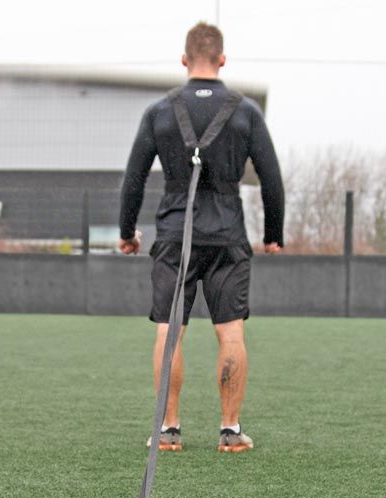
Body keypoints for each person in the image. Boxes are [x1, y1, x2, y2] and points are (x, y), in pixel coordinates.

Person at [118, 21, 284, 453]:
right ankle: (230, 431)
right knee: (231, 333)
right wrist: (273, 234)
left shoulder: (159, 112)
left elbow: (133, 178)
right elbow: (271, 178)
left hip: (176, 234)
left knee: (169, 331)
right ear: (222, 60)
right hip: (227, 234)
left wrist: (127, 232)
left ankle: (168, 430)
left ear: (185, 60)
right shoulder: (245, 112)